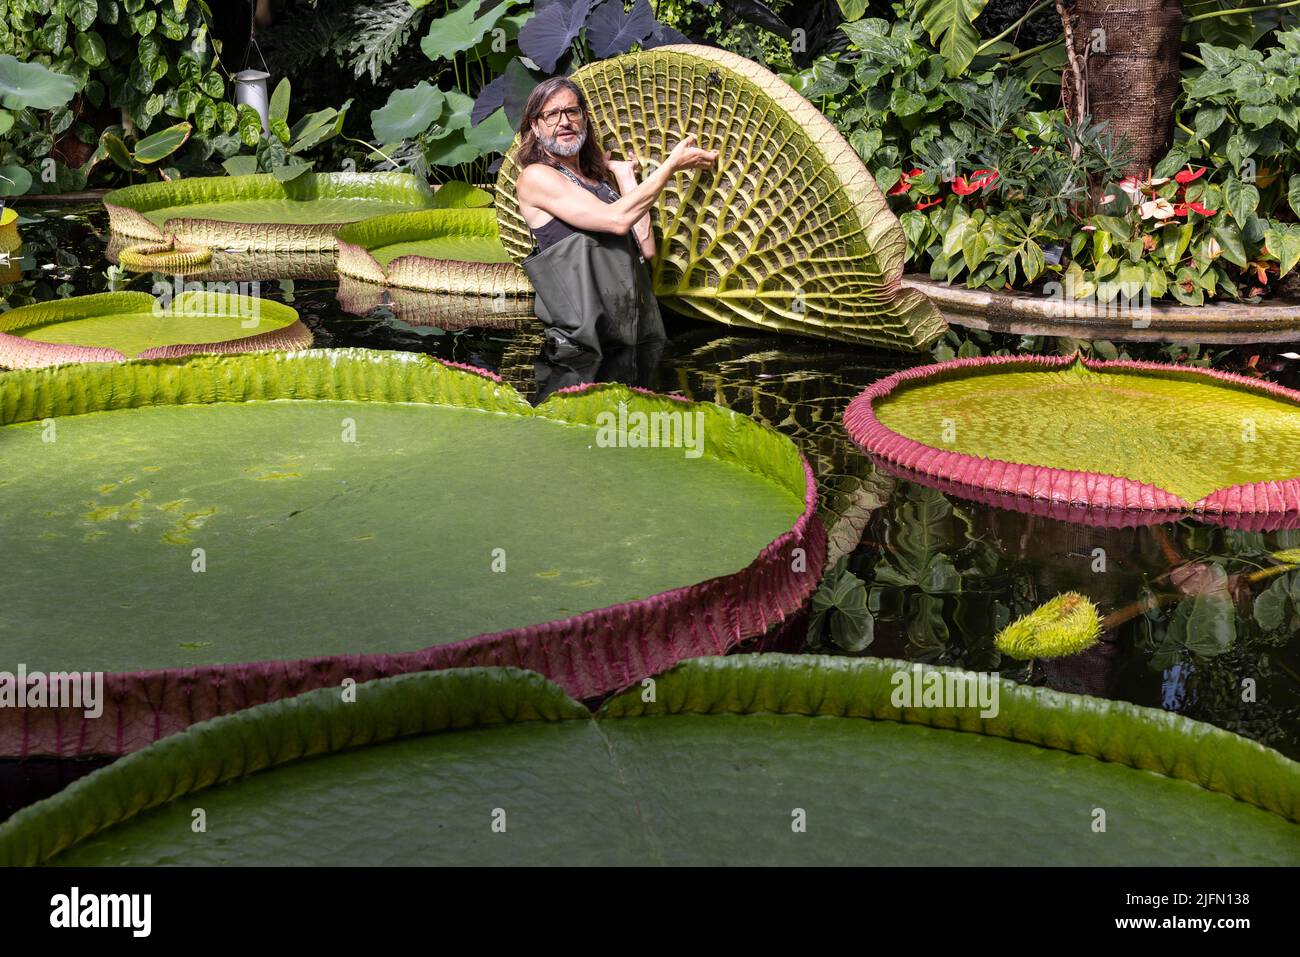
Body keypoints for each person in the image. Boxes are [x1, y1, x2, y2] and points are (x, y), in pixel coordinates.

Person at [513, 76, 718, 397]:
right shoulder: (536, 177)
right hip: (580, 351)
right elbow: (618, 219)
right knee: (585, 440)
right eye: (551, 115)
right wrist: (671, 166)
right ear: (536, 127)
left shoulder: (598, 183)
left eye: (572, 111)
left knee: (629, 441)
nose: (564, 121)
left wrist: (624, 176)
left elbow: (645, 248)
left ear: (584, 119)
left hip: (630, 335)